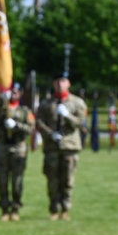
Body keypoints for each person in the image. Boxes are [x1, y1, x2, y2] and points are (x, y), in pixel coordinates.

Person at [35, 71, 87, 220]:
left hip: (69, 146)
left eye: (63, 81)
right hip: (52, 146)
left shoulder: (77, 103)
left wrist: (67, 115)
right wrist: (50, 133)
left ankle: (65, 209)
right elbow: (39, 122)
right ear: (53, 84)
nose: (60, 84)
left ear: (68, 83)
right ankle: (53, 209)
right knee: (52, 179)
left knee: (67, 180)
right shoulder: (46, 103)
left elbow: (81, 123)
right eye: (57, 81)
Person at [0, 82, 35, 221]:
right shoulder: (2, 108)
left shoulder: (24, 110)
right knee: (2, 180)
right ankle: (4, 209)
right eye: (11, 92)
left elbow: (30, 129)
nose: (13, 94)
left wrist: (16, 125)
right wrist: (1, 99)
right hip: (2, 147)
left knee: (17, 181)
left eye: (16, 92)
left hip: (18, 147)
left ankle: (15, 208)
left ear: (20, 94)